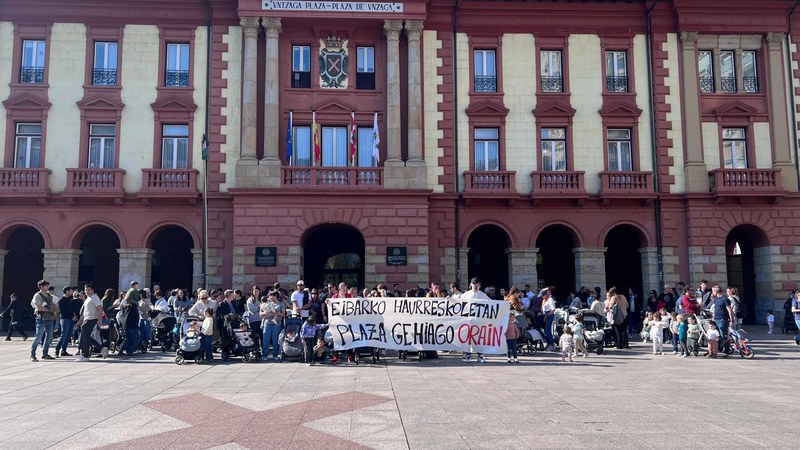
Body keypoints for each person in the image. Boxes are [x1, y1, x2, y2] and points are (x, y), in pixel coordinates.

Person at [461, 278, 490, 363]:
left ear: (479, 284)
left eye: (476, 283)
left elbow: (492, 304)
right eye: (473, 283)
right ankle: (468, 355)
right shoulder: (466, 295)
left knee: (478, 338)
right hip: (468, 320)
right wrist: (449, 299)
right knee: (468, 338)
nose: (475, 284)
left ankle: (479, 355)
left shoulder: (483, 295)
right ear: (471, 284)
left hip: (479, 321)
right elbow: (457, 303)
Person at [76, 284, 106, 361]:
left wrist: (100, 320)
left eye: (88, 290)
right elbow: (85, 312)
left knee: (85, 337)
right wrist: (80, 321)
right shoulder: (88, 299)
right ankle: (101, 348)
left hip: (92, 318)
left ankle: (85, 355)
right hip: (87, 319)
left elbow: (99, 309)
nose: (86, 291)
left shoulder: (95, 298)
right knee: (85, 336)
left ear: (92, 290)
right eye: (85, 290)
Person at [29, 280, 56, 361]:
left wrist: (53, 310)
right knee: (38, 337)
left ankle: (45, 354)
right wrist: (49, 310)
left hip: (49, 318)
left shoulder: (49, 295)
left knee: (49, 337)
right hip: (41, 318)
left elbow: (53, 305)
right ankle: (32, 355)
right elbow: (39, 307)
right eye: (46, 286)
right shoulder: (37, 295)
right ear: (41, 286)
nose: (47, 287)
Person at [260, 291, 286, 360]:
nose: (269, 297)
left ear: (275, 296)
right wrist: (268, 313)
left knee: (275, 340)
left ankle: (275, 355)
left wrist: (276, 313)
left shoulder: (281, 304)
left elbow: (283, 314)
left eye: (271, 296)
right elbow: (260, 314)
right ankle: (265, 355)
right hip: (267, 323)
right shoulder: (266, 303)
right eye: (269, 296)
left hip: (277, 324)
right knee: (265, 339)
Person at [54, 286, 75, 357]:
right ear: (67, 291)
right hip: (65, 319)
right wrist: (72, 316)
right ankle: (57, 350)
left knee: (68, 335)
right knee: (64, 335)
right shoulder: (61, 300)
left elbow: (70, 309)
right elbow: (63, 311)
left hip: (71, 319)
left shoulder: (69, 299)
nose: (72, 292)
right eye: (71, 291)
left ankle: (64, 350)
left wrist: (73, 315)